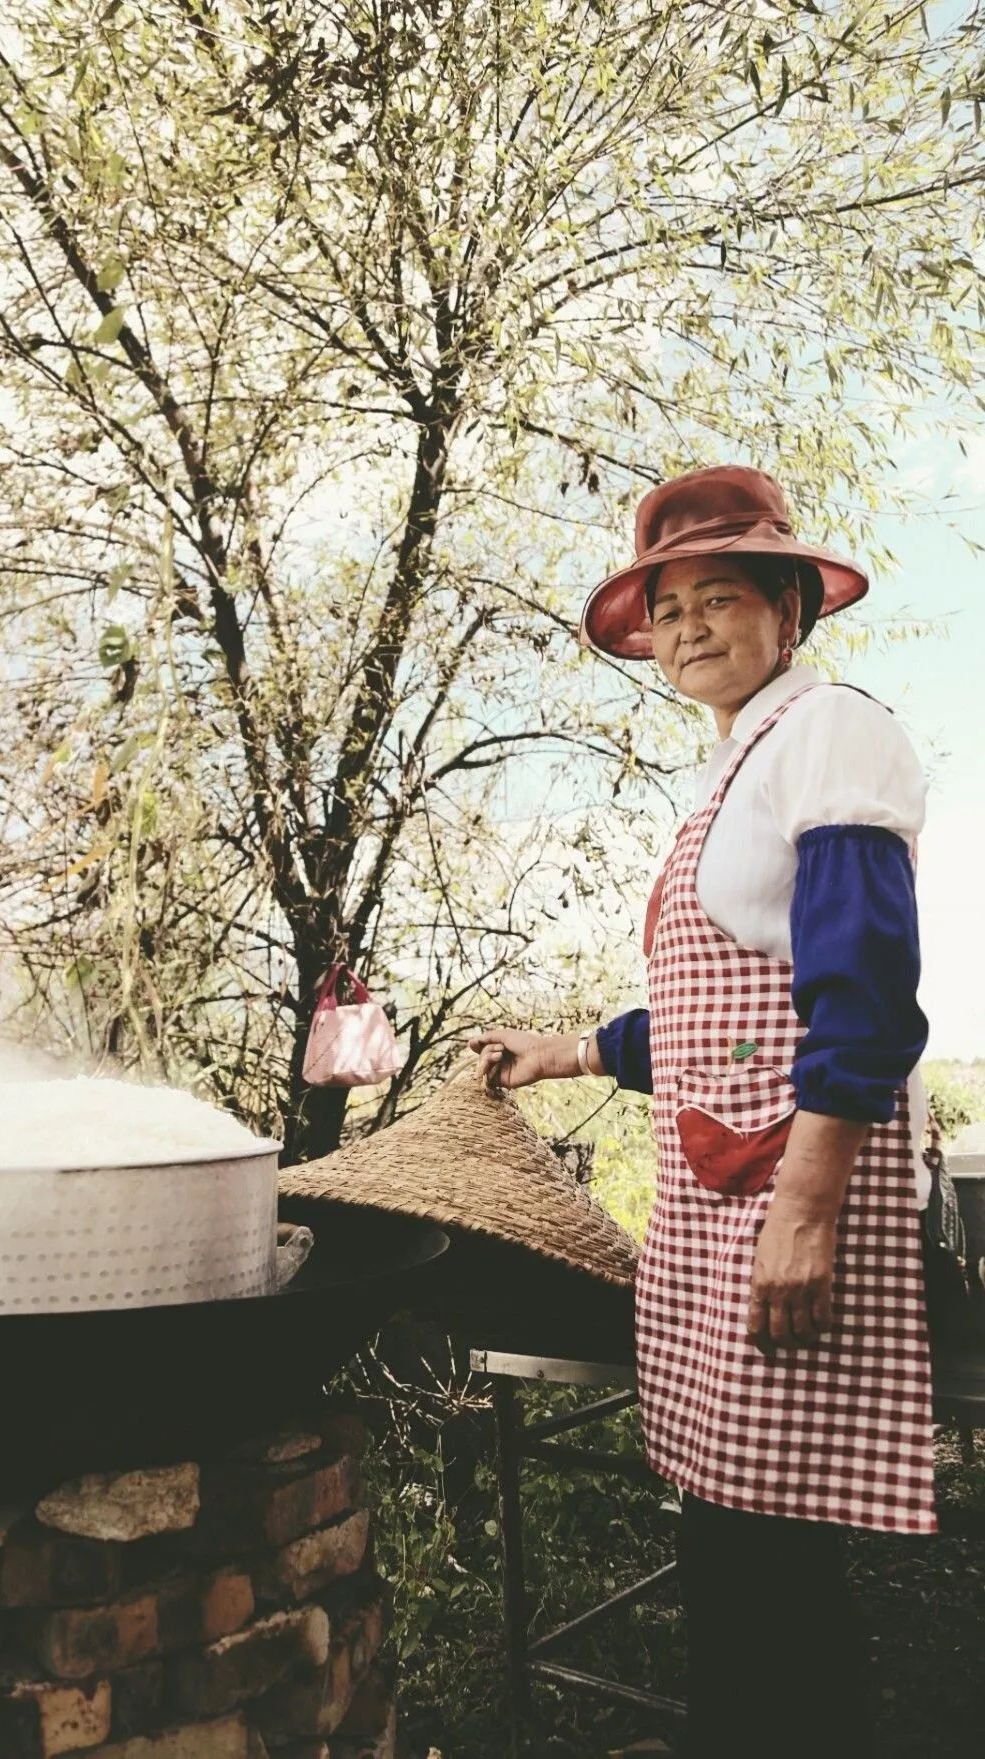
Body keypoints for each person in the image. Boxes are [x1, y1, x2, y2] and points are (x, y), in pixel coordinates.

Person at [471, 464, 933, 1759]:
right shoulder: (738, 767)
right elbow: (717, 1015)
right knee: (733, 1539)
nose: (684, 630)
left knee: (771, 1555)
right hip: (719, 1202)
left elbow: (868, 999)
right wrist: (561, 1053)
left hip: (786, 1201)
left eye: (717, 597)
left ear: (790, 606)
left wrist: (808, 1210)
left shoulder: (831, 735)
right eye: (666, 609)